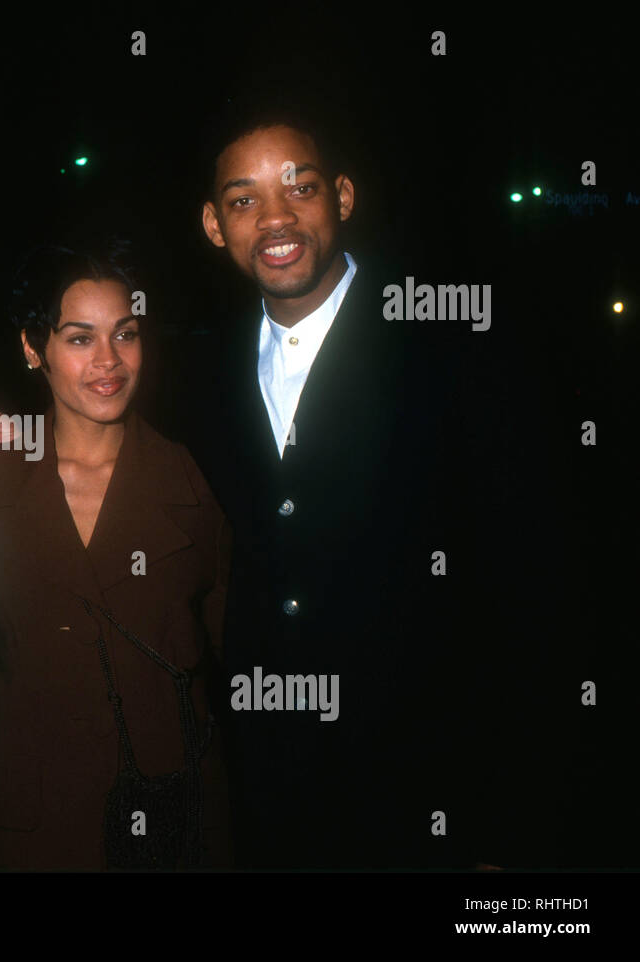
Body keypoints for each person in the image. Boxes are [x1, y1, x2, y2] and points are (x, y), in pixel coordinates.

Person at [183, 103, 496, 869]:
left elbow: (527, 581)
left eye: (301, 187)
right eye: (244, 199)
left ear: (343, 198)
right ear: (215, 225)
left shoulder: (448, 344)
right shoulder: (195, 374)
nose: (276, 218)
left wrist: (499, 819)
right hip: (266, 797)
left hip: (420, 795)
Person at [0, 240, 232, 870]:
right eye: (79, 338)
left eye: (126, 334)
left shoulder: (197, 479)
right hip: (36, 822)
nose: (109, 361)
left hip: (174, 819)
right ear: (34, 349)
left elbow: (235, 638)